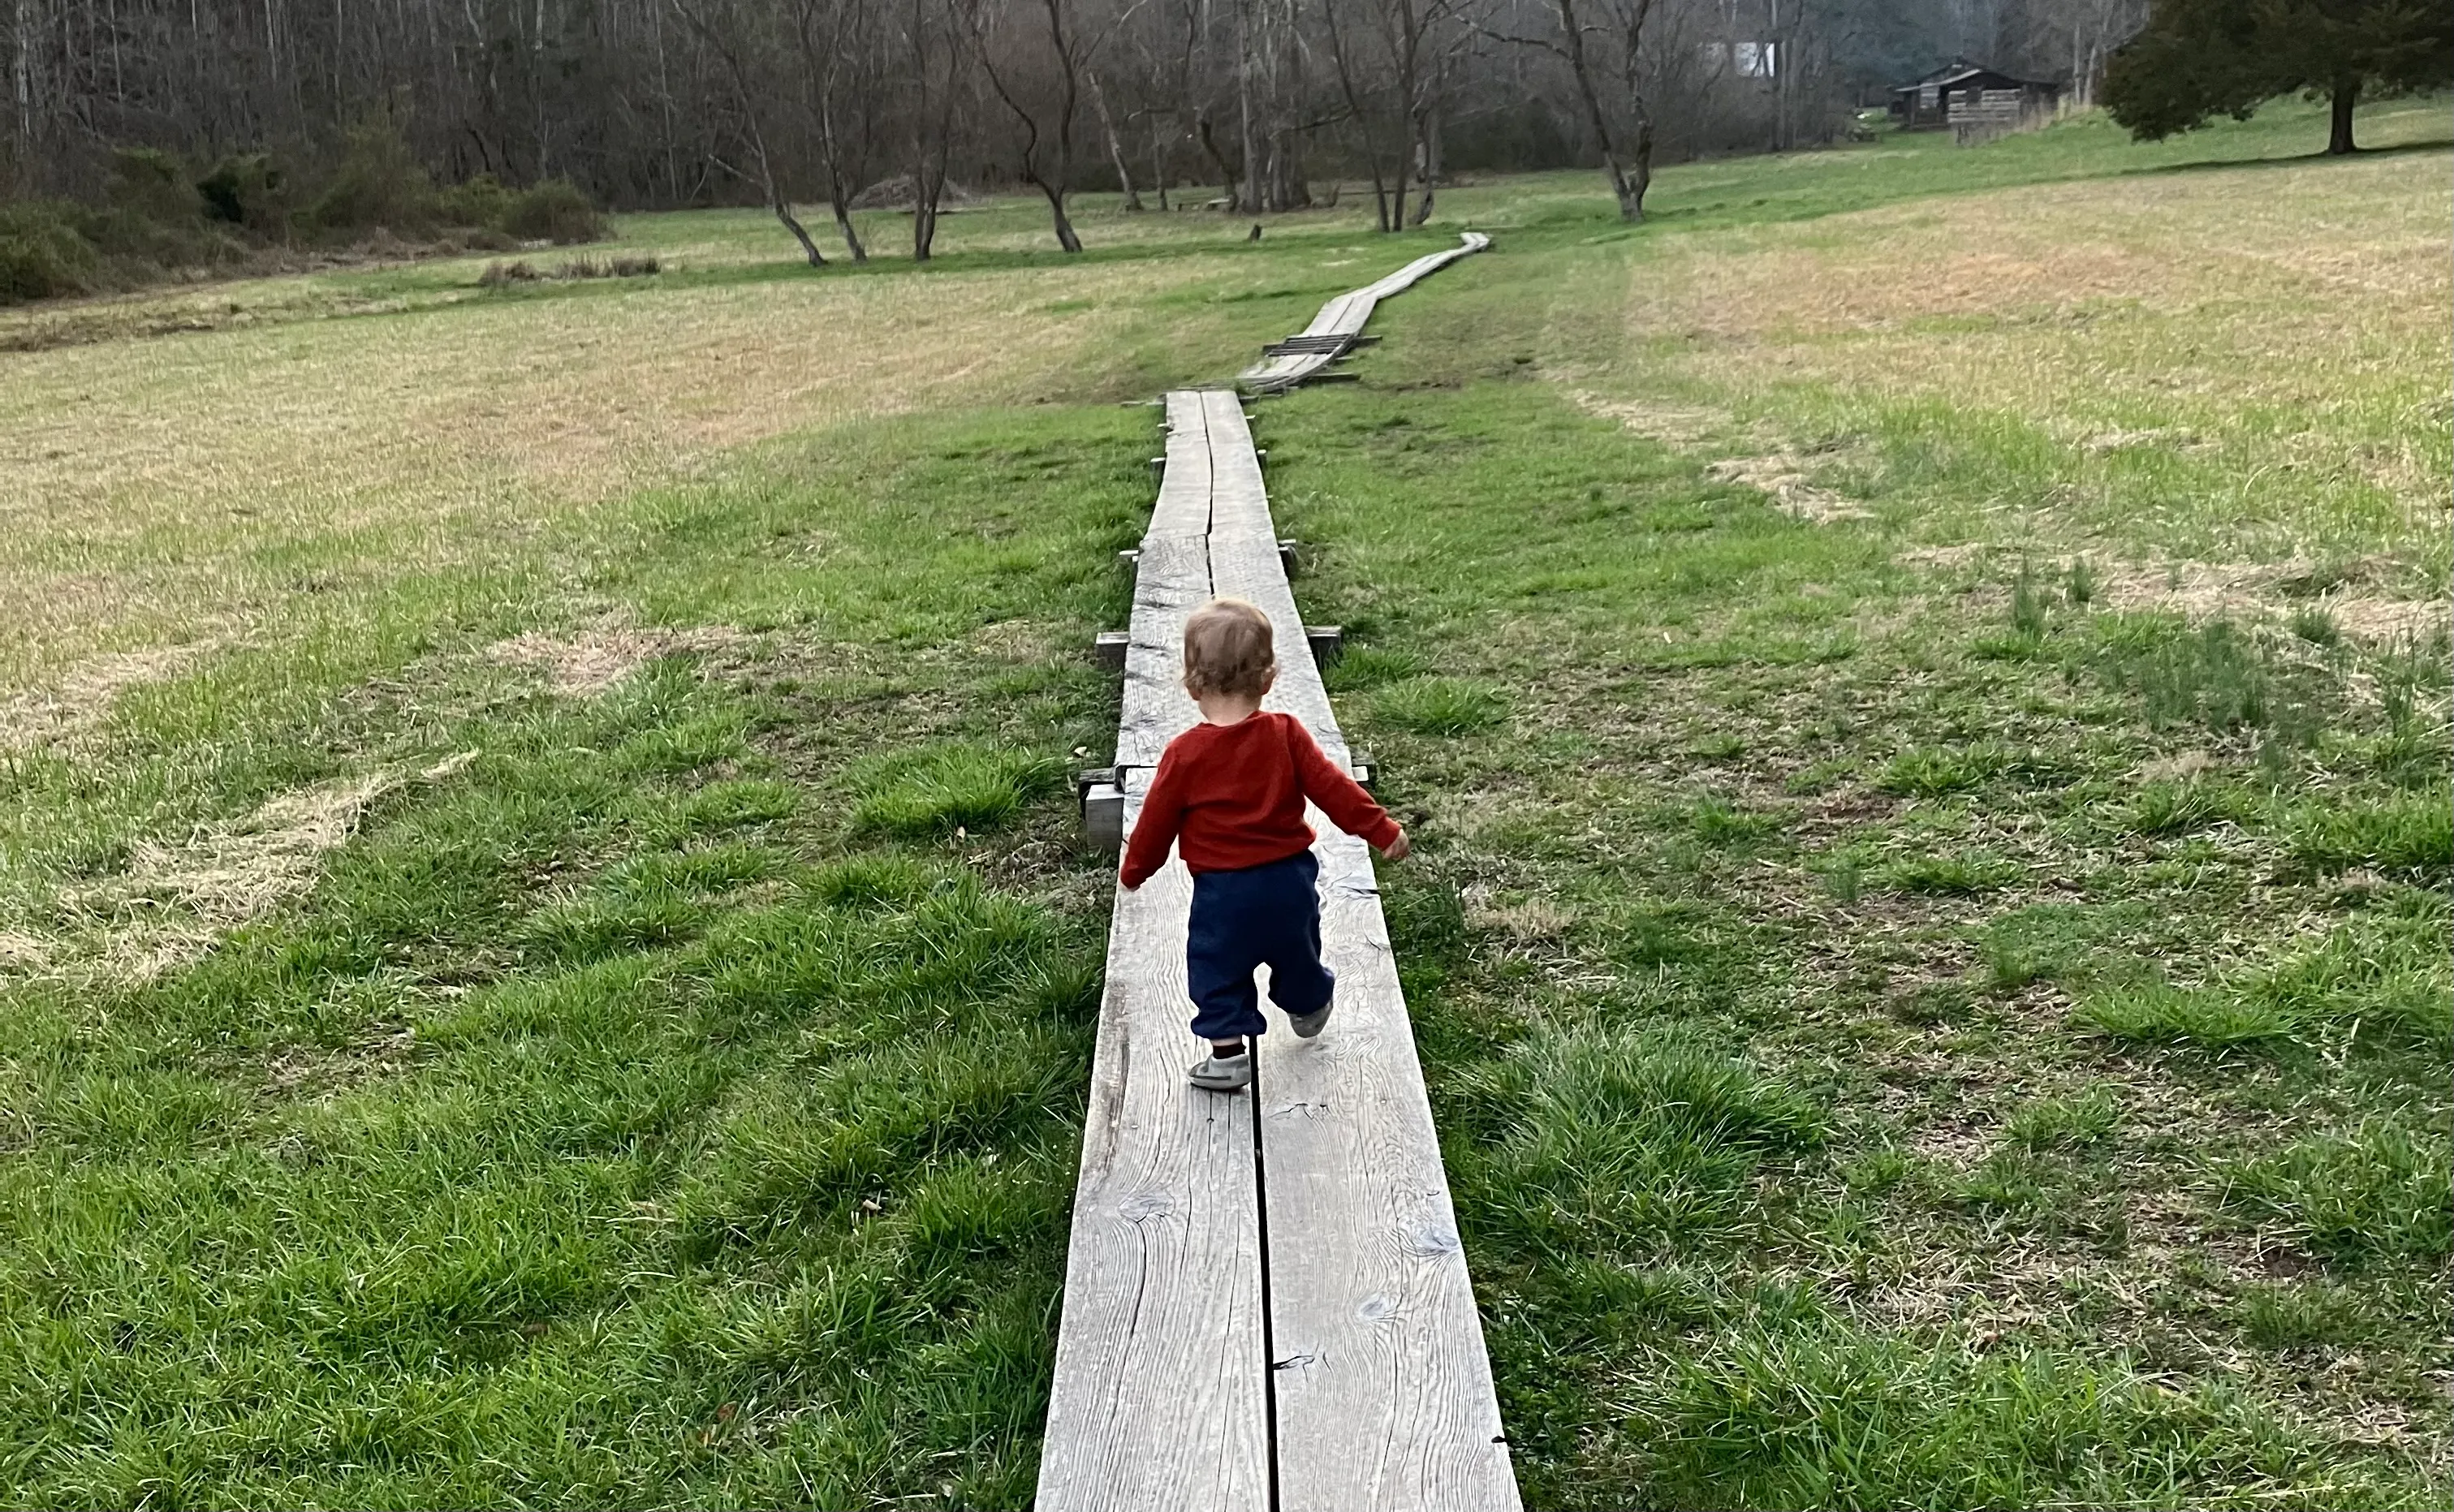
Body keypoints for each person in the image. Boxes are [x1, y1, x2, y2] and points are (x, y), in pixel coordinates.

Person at [1119, 598, 1410, 1091]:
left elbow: (1155, 822)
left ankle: (1228, 1054)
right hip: (1288, 881)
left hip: (1222, 894)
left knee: (1216, 966)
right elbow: (1335, 789)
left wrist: (1136, 869)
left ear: (1191, 686)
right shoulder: (1286, 734)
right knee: (1297, 950)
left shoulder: (1184, 754)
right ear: (1269, 678)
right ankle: (1310, 1001)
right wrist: (1382, 830)